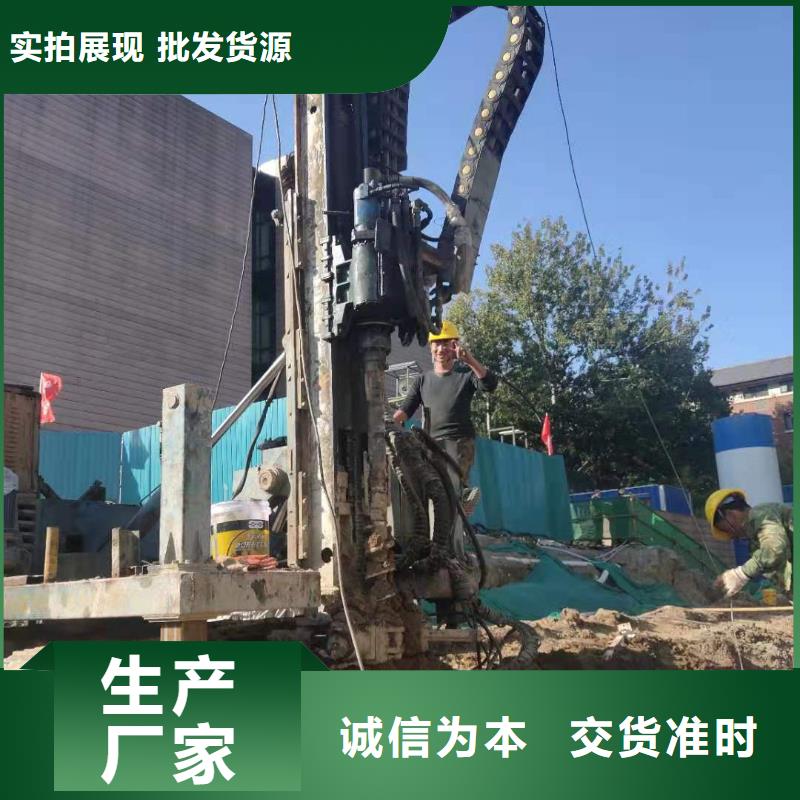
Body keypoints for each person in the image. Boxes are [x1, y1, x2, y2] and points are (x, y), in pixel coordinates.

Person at [392, 320, 497, 513]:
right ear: (431, 347)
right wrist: (388, 424)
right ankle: (456, 503)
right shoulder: (422, 380)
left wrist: (469, 360)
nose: (441, 349)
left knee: (451, 485)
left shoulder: (465, 376)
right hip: (430, 444)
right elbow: (405, 410)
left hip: (460, 442)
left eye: (446, 343)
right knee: (432, 488)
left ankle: (462, 498)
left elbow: (489, 384)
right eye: (437, 343)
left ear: (455, 345)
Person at [705, 488, 793, 599]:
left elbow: (774, 550)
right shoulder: (756, 542)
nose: (732, 536)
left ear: (731, 515)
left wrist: (740, 574)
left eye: (727, 530)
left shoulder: (762, 514)